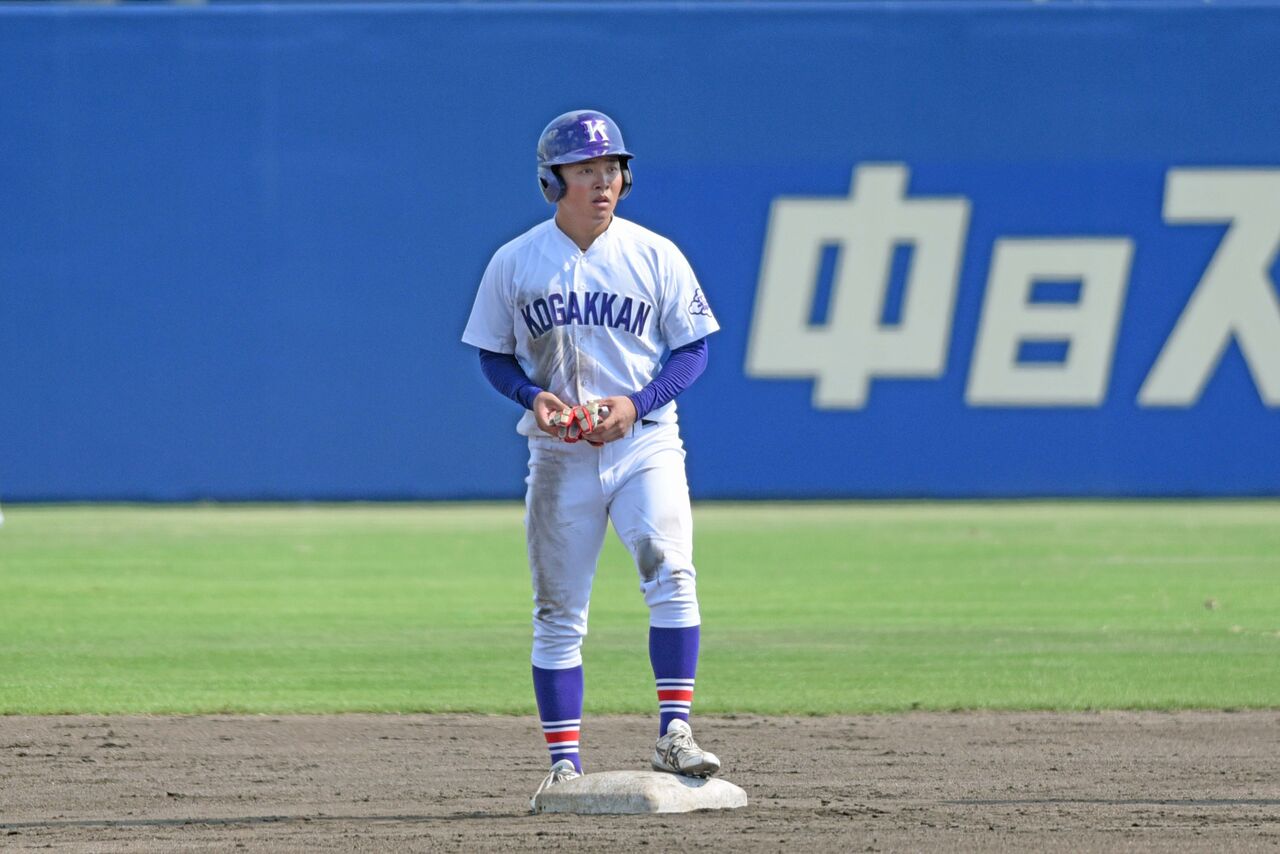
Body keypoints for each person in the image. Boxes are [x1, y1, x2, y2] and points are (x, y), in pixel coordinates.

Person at [461, 109, 722, 807]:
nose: (603, 181)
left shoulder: (655, 254)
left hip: (645, 442)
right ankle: (564, 765)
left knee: (671, 572)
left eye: (612, 168)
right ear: (553, 181)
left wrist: (638, 402)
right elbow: (493, 353)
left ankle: (675, 732)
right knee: (557, 612)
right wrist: (531, 396)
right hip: (559, 454)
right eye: (586, 170)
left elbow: (693, 348)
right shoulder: (516, 261)